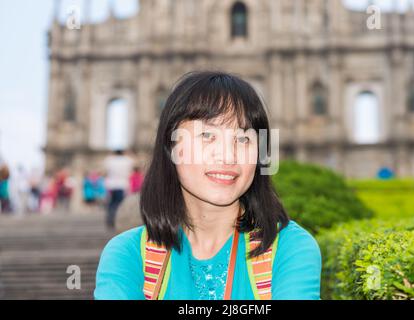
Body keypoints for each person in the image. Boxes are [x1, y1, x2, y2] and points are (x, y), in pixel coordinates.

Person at [94, 71, 321, 300]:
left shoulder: (290, 249)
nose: (227, 156)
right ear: (171, 146)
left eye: (243, 139)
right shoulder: (128, 255)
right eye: (207, 135)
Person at [104, 150, 134, 230]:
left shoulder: (110, 160)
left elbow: (106, 169)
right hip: (122, 184)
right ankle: (118, 221)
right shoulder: (127, 160)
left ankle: (110, 221)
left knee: (111, 204)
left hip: (111, 184)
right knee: (120, 204)